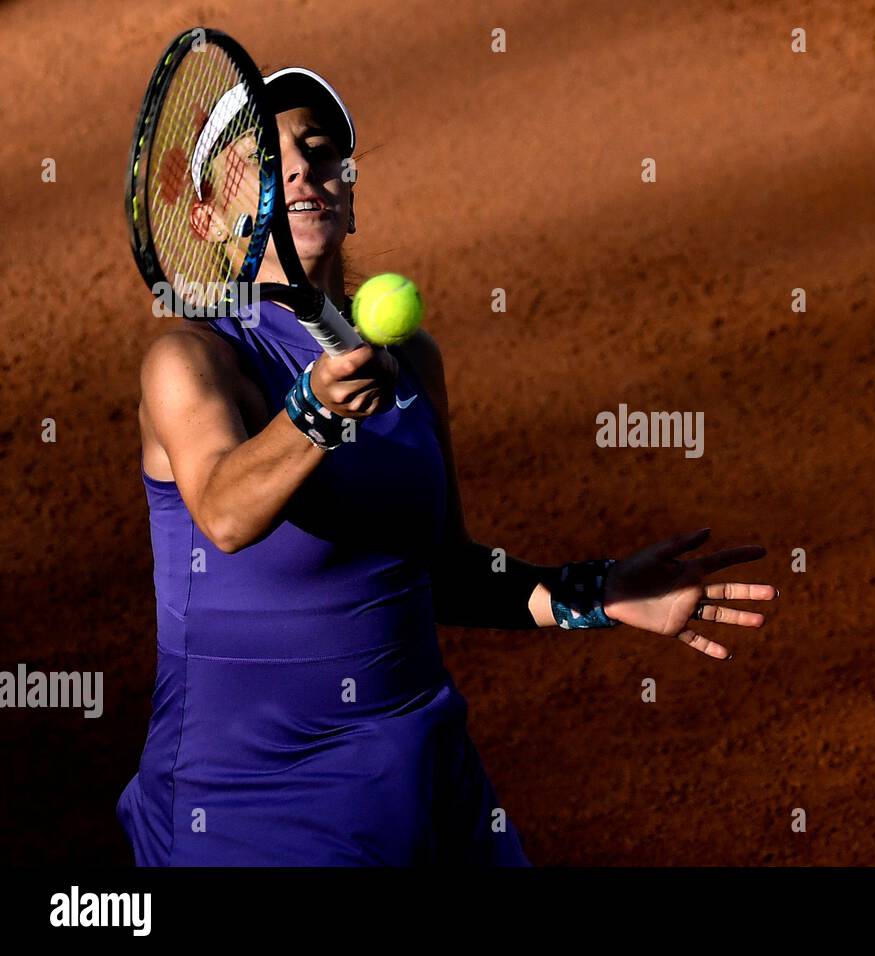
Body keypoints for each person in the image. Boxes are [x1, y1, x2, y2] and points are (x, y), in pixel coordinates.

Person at [115, 67, 777, 866]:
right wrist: (315, 413)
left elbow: (446, 570)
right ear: (207, 216)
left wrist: (595, 594)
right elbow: (223, 512)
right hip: (256, 813)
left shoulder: (407, 359)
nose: (300, 168)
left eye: (320, 152)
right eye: (263, 154)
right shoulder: (194, 359)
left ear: (350, 197)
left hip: (431, 788)